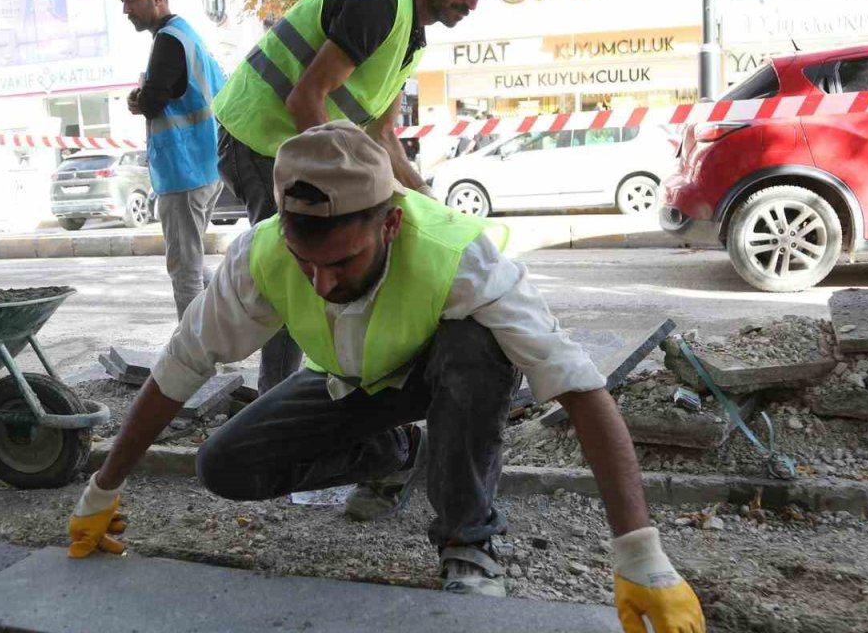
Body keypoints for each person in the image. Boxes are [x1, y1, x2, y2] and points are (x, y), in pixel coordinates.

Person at [67, 122, 706, 632]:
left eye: (341, 261)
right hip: (353, 381)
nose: (320, 284)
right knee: (225, 467)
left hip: (446, 375)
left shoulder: (460, 257)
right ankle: (400, 454)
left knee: (473, 349)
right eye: (304, 262)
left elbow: (579, 386)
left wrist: (640, 553)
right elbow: (180, 368)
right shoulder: (259, 254)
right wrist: (102, 488)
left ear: (390, 222)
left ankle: (468, 540)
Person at [211, 0, 481, 394]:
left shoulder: (411, 38)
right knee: (303, 268)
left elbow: (382, 135)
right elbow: (305, 100)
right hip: (257, 139)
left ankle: (339, 396)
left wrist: (424, 197)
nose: (473, 4)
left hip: (282, 141)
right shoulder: (380, 3)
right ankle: (280, 414)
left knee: (339, 262)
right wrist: (350, 189)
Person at [121, 0, 226, 319]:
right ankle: (225, 331)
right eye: (122, 1)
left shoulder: (169, 41)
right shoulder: (188, 35)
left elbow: (151, 102)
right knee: (193, 266)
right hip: (206, 167)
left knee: (185, 272)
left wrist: (139, 97)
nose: (126, 9)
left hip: (185, 171)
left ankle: (195, 364)